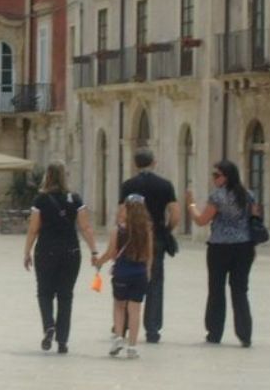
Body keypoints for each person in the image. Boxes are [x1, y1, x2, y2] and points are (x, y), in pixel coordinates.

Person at [23, 162, 99, 354]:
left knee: (44, 292)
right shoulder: (74, 198)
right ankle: (63, 340)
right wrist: (94, 251)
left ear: (47, 176)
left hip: (46, 250)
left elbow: (33, 229)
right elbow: (85, 227)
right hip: (71, 251)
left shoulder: (40, 200)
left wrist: (27, 252)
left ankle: (49, 325)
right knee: (66, 296)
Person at [185, 160, 258, 348]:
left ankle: (214, 332)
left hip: (220, 247)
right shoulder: (248, 195)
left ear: (226, 177)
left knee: (216, 290)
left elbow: (202, 220)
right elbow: (255, 218)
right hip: (244, 247)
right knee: (240, 290)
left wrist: (191, 205)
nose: (214, 179)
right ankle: (245, 333)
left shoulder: (217, 197)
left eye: (216, 175)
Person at [119, 148, 180, 343]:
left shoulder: (128, 185)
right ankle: (152, 329)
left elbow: (121, 214)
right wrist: (166, 229)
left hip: (132, 238)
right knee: (155, 282)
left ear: (136, 164)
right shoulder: (165, 185)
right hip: (156, 238)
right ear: (153, 162)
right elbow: (175, 213)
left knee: (128, 279)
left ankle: (125, 323)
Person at [96, 194, 154, 359]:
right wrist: (148, 271)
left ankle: (119, 338)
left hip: (121, 272)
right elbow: (149, 254)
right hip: (140, 273)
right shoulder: (147, 229)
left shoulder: (118, 230)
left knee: (119, 306)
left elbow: (111, 252)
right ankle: (132, 347)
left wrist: (99, 262)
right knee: (135, 310)